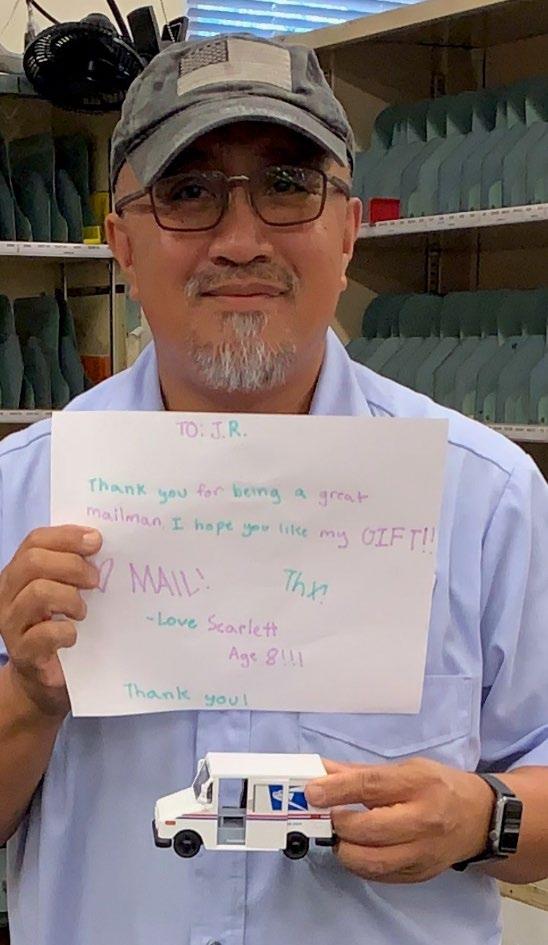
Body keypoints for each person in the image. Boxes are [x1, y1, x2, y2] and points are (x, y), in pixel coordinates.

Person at [0, 32, 547, 945]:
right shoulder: (19, 493)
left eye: (288, 186)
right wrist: (29, 696)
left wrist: (479, 817)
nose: (242, 241)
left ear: (349, 230)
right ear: (122, 243)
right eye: (188, 193)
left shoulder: (488, 499)